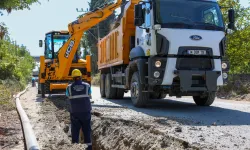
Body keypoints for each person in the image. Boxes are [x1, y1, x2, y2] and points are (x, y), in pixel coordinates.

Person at [66, 69, 92, 150]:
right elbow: (89, 95)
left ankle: (75, 147)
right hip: (86, 113)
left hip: (75, 114)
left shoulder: (69, 88)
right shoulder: (87, 86)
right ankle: (89, 148)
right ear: (81, 77)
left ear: (73, 78)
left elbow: (67, 95)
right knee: (87, 132)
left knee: (75, 133)